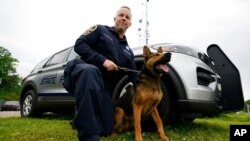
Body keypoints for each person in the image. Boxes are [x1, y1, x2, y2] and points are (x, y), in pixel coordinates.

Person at [65, 6, 137, 141]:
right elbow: (79, 44)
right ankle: (89, 137)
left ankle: (80, 116)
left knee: (106, 129)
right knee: (90, 72)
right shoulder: (100, 30)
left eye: (127, 17)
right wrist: (103, 60)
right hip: (82, 71)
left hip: (104, 88)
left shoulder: (129, 52)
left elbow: (135, 77)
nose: (123, 18)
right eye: (121, 15)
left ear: (130, 24)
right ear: (115, 18)